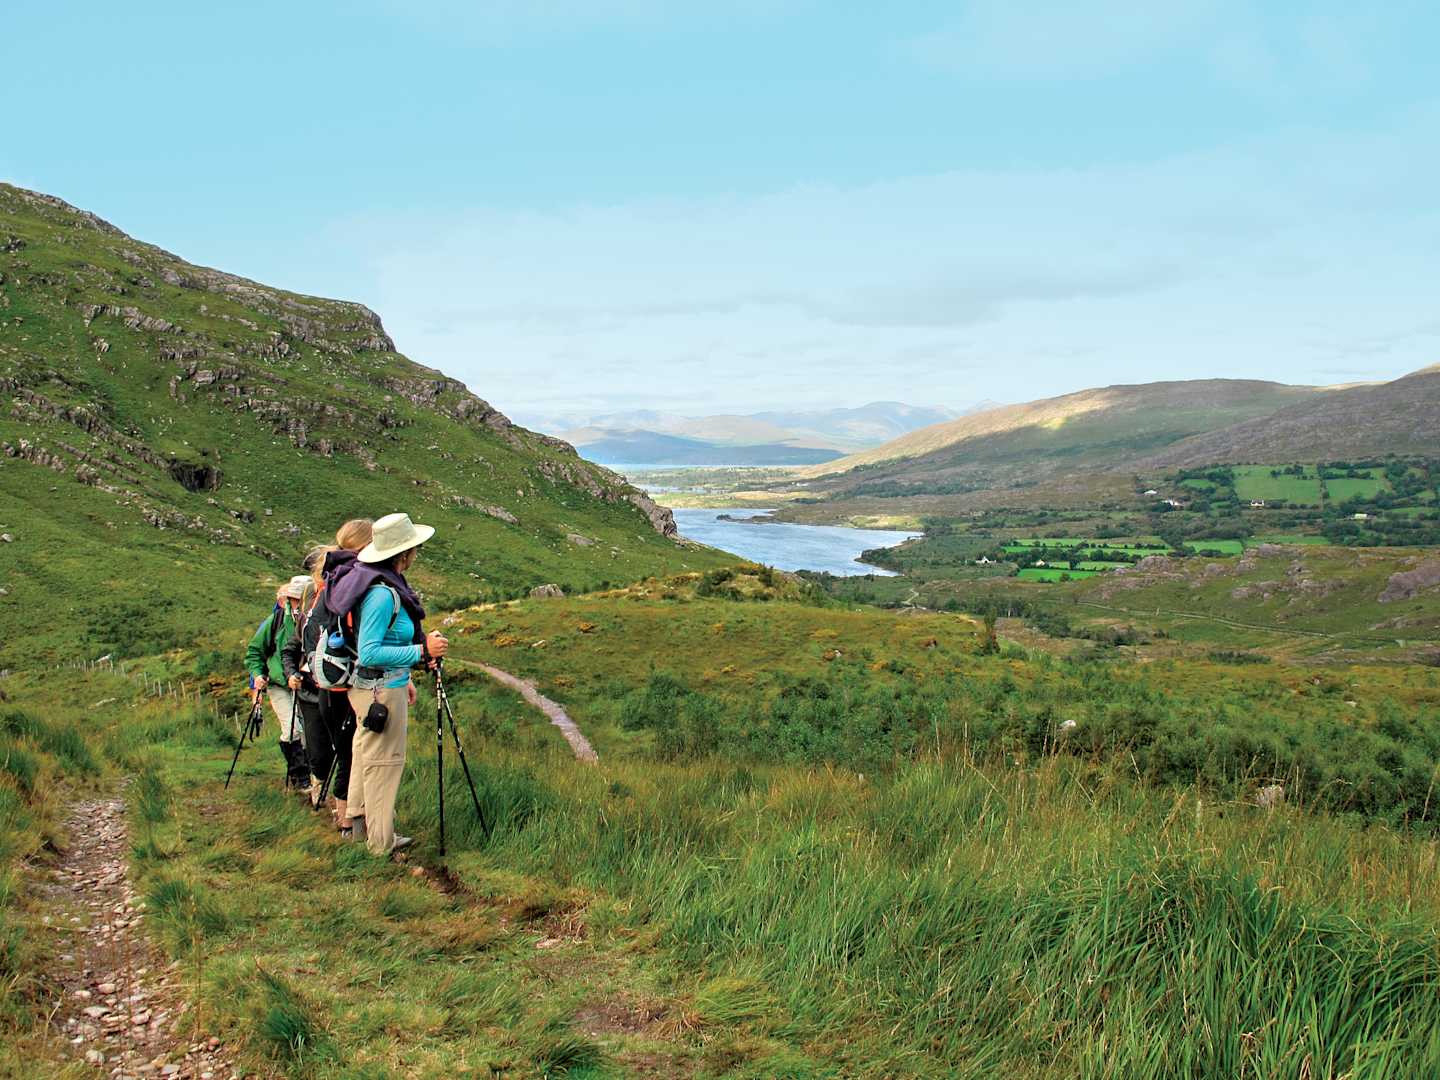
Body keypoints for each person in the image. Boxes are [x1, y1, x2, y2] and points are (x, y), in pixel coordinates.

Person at [325, 512, 448, 856]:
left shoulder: (375, 584)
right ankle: (381, 845)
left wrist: (407, 673)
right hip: (380, 690)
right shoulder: (382, 594)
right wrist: (422, 650)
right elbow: (369, 651)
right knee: (384, 764)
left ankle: (359, 822)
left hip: (374, 687)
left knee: (366, 754)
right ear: (403, 554)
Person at [243, 575, 312, 789]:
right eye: (294, 599)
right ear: (288, 600)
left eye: (302, 599)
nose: (297, 604)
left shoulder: (316, 620)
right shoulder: (276, 622)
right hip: (279, 684)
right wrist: (257, 675)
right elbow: (254, 652)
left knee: (309, 733)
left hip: (308, 685)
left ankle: (311, 776)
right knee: (293, 729)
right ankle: (300, 778)